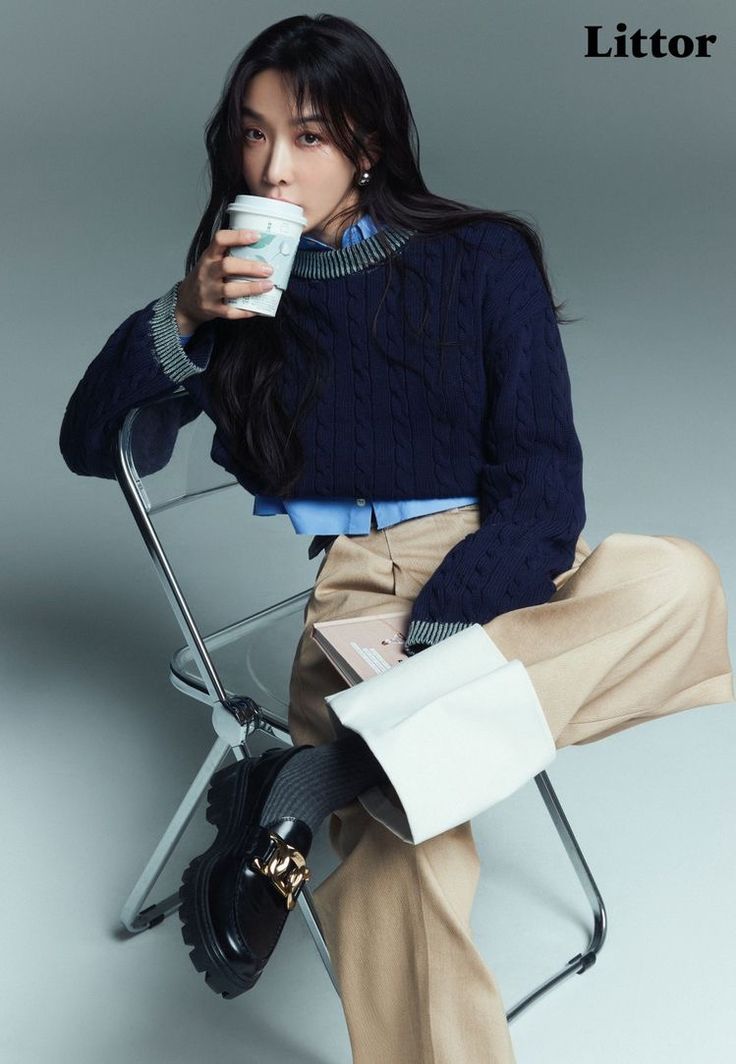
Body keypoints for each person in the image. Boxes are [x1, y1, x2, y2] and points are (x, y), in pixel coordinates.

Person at [59, 13, 735, 1063]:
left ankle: (324, 777)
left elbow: (544, 481)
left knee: (679, 582)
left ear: (367, 148)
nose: (273, 166)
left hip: (503, 555)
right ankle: (375, 767)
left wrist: (446, 636)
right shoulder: (238, 293)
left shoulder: (481, 258)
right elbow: (86, 441)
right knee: (401, 859)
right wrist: (186, 313)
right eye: (253, 133)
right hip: (356, 590)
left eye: (310, 137)